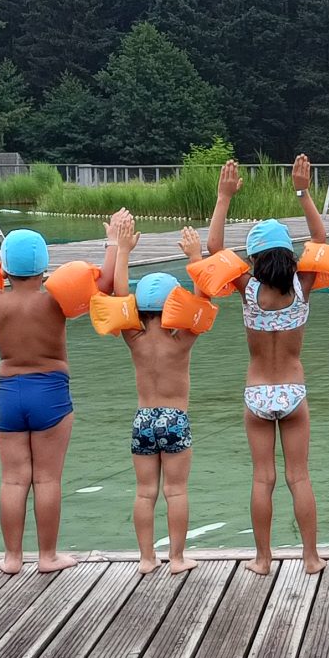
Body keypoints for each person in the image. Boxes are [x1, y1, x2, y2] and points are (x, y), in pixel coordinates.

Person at [197, 157, 329, 577]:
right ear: (288, 256)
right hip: (293, 390)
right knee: (299, 477)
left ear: (253, 257)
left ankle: (263, 559)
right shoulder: (302, 287)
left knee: (263, 479)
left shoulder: (248, 289)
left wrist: (223, 198)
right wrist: (302, 191)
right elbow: (321, 237)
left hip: (257, 392)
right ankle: (310, 558)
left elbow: (214, 249)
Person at [0, 219, 84, 575]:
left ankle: (12, 558)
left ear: (4, 268)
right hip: (49, 390)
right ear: (45, 268)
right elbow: (106, 285)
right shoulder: (56, 303)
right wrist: (115, 244)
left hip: (9, 392)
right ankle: (47, 556)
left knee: (13, 479)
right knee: (47, 478)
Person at [100, 210, 210, 574]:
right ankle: (177, 558)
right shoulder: (182, 341)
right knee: (175, 491)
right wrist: (195, 257)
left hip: (143, 418)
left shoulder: (133, 338)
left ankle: (146, 559)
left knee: (144, 492)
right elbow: (202, 302)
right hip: (175, 418)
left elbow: (118, 293)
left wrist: (123, 249)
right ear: (173, 306)